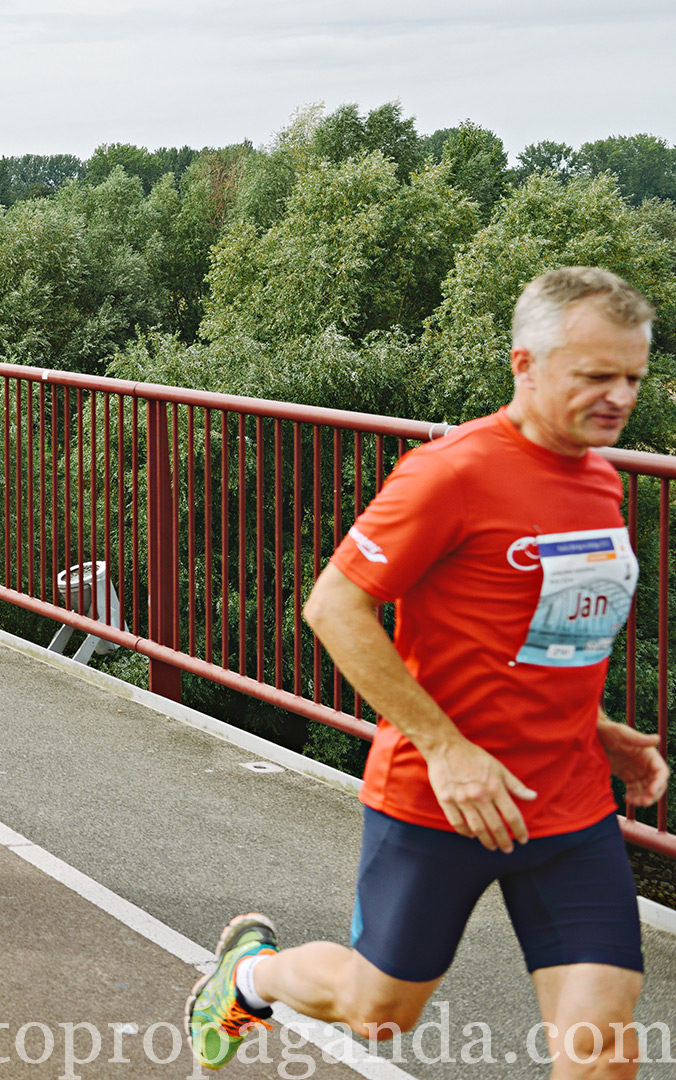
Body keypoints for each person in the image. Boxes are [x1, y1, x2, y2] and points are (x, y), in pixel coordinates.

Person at [186, 267, 670, 1077]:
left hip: (568, 806)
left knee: (601, 1051)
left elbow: (542, 641)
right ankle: (248, 978)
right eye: (595, 376)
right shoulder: (452, 472)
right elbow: (333, 608)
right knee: (380, 1014)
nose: (619, 397)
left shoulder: (601, 480)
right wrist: (447, 749)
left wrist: (601, 731)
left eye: (632, 377)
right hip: (438, 801)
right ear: (526, 365)